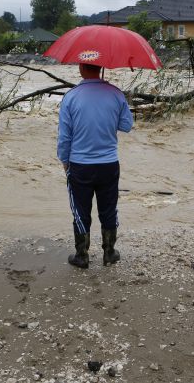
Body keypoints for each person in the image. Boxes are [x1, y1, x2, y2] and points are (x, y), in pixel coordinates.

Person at [57, 63, 133, 269]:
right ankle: (109, 252)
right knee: (108, 208)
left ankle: (82, 255)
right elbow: (127, 125)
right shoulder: (116, 94)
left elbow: (64, 137)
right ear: (101, 68)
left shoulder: (71, 97)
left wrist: (64, 161)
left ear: (80, 67)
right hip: (108, 163)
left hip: (80, 164)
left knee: (80, 210)